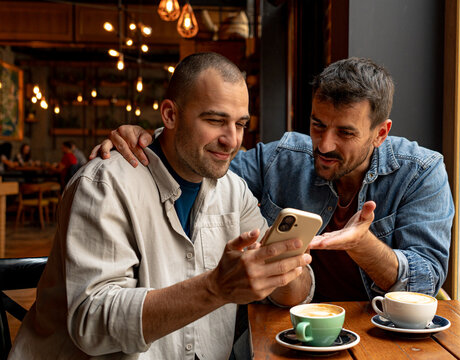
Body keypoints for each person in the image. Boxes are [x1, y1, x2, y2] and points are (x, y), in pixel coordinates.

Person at [9, 53, 312, 360]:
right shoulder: (103, 186)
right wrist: (216, 288)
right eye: (215, 120)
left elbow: (293, 292)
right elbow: (92, 325)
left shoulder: (234, 190)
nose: (232, 140)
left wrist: (286, 268)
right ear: (169, 115)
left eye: (240, 124)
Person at [92, 57, 455, 302]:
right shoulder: (280, 158)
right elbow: (202, 167)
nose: (324, 145)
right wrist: (152, 139)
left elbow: (426, 282)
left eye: (345, 133)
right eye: (317, 125)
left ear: (380, 133)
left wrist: (361, 245)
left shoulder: (421, 172)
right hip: (285, 328)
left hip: (377, 332)